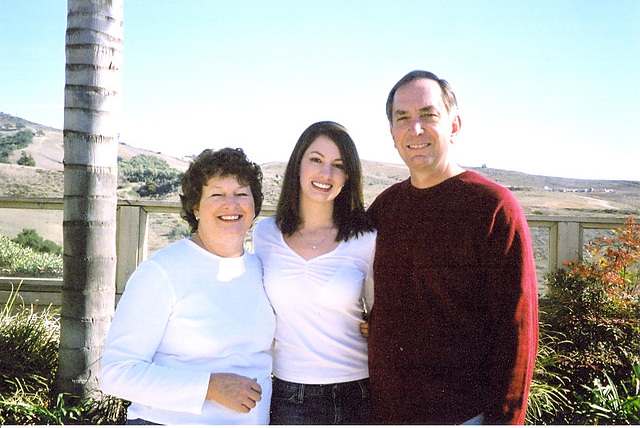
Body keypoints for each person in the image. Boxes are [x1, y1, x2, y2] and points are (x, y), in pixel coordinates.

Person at [366, 70, 539, 424]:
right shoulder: (384, 209)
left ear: (454, 125)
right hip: (386, 414)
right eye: (403, 119)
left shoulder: (493, 208)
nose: (415, 129)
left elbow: (518, 332)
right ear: (392, 134)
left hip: (464, 417)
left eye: (428, 116)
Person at [100, 148, 276, 425]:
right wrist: (209, 387)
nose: (231, 204)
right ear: (195, 207)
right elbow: (116, 373)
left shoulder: (261, 269)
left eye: (242, 194)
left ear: (254, 206)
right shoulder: (162, 271)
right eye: (217, 195)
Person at [252, 121, 376, 424]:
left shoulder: (367, 239)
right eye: (316, 160)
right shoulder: (265, 233)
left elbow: (380, 315)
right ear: (298, 165)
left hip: (356, 394)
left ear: (348, 176)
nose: (326, 174)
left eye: (338, 165)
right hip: (287, 394)